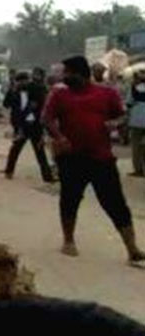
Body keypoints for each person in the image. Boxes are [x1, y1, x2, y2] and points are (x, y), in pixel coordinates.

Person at [43, 55, 145, 265]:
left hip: (101, 157)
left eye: (67, 72)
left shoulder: (107, 93)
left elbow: (122, 115)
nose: (64, 76)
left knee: (115, 203)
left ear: (79, 73)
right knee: (70, 199)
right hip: (71, 157)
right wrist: (59, 137)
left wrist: (115, 124)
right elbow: (46, 118)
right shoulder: (59, 95)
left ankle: (132, 248)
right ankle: (68, 240)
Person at [3, 72, 55, 182]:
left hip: (34, 125)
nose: (21, 83)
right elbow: (6, 104)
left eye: (23, 81)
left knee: (38, 152)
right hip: (23, 126)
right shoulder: (15, 91)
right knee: (17, 149)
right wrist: (11, 90)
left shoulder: (36, 89)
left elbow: (42, 106)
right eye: (19, 82)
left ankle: (47, 176)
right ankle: (9, 171)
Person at [127, 69, 145, 177]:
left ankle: (138, 170)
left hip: (137, 120)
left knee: (136, 146)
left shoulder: (133, 88)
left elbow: (129, 103)